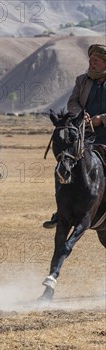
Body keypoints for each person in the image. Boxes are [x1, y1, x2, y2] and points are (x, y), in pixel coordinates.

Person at [43, 43, 106, 228]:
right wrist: (81, 114)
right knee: (64, 164)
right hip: (83, 136)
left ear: (104, 62)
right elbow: (72, 103)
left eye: (95, 61)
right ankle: (60, 210)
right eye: (90, 61)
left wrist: (101, 119)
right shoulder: (82, 80)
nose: (91, 64)